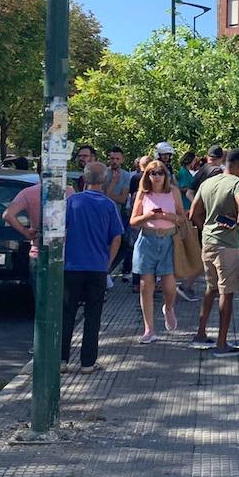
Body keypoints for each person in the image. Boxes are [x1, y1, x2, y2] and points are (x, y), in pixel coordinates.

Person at [188, 148, 239, 356]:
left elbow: (193, 213)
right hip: (227, 246)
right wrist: (235, 223)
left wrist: (205, 227)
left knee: (211, 288)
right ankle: (222, 343)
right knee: (227, 292)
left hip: (208, 243)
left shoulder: (207, 183)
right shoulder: (237, 183)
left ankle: (200, 334)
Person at [62, 161, 123, 374]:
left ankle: (62, 360)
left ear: (84, 179)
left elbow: (63, 231)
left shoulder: (72, 202)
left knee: (67, 313)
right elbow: (116, 237)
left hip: (71, 266)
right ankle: (87, 362)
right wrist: (107, 263)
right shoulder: (108, 205)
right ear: (105, 179)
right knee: (93, 315)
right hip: (97, 268)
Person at [129, 160, 187, 343]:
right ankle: (149, 329)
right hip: (147, 240)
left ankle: (168, 308)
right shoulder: (143, 193)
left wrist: (166, 216)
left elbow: (182, 218)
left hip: (169, 240)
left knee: (169, 286)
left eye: (160, 172)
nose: (156, 176)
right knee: (146, 287)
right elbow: (133, 220)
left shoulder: (173, 192)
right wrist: (149, 216)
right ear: (147, 175)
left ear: (166, 175)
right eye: (152, 173)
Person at [103, 148, 134, 277]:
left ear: (122, 160)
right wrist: (113, 183)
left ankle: (108, 270)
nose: (114, 161)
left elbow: (122, 199)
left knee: (121, 243)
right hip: (102, 215)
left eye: (117, 159)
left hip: (116, 215)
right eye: (112, 158)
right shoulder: (103, 173)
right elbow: (102, 196)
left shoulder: (126, 176)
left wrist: (109, 194)